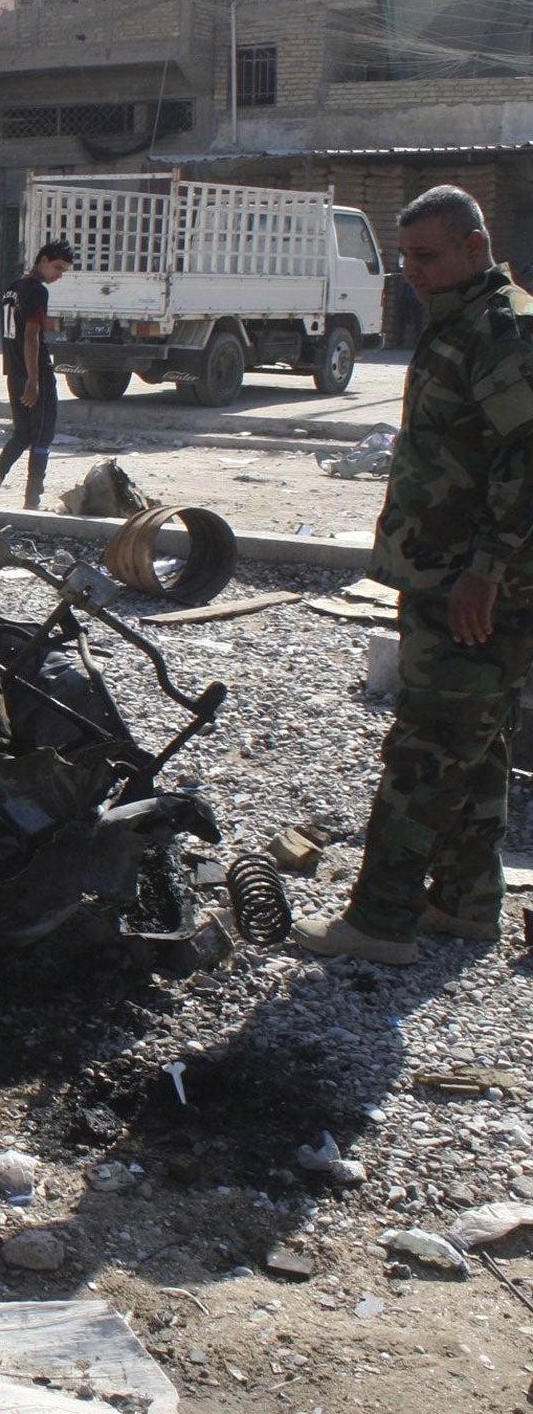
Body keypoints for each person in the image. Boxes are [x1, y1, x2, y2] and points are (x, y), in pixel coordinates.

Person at [294, 186, 533, 966]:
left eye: (427, 258)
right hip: (442, 577)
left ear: (474, 246)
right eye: (406, 261)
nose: (413, 274)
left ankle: (381, 923)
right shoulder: (462, 321)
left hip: (477, 588)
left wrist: (486, 575)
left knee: (426, 750)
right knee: (476, 739)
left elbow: (526, 461)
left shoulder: (502, 330)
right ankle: (466, 903)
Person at [0, 239, 75, 510]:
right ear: (42, 260)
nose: (58, 275)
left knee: (22, 433)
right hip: (36, 374)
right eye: (57, 267)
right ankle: (32, 502)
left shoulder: (12, 287)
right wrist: (34, 381)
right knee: (43, 436)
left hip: (14, 372)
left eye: (64, 270)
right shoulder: (37, 291)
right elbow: (32, 337)